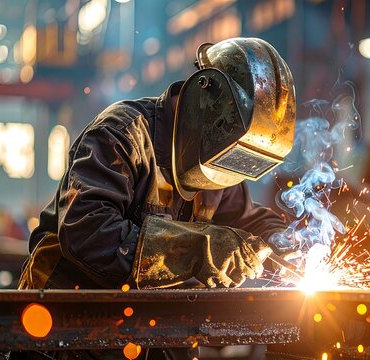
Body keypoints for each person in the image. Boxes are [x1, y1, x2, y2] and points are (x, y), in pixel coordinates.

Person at [18, 37, 297, 292]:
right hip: (66, 321)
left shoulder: (216, 167)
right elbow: (88, 233)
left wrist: (284, 242)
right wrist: (197, 249)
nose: (227, 167)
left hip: (149, 324)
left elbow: (247, 220)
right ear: (204, 96)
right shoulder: (122, 135)